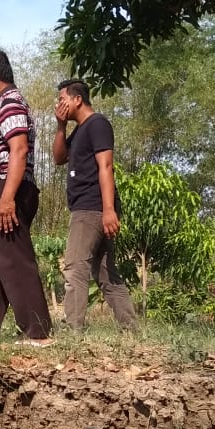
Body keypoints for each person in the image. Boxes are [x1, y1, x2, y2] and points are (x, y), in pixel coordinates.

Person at [0, 49, 53, 345]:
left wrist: (7, 198)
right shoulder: (1, 105)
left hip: (4, 189)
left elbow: (18, 149)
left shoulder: (10, 102)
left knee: (14, 259)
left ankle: (38, 332)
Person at [52, 79, 137, 331]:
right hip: (89, 208)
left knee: (75, 266)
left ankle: (73, 329)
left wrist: (109, 210)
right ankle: (130, 329)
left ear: (78, 99)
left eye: (62, 99)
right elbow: (58, 158)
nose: (59, 104)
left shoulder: (97, 124)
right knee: (106, 274)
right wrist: (60, 126)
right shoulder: (79, 130)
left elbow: (106, 167)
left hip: (92, 208)